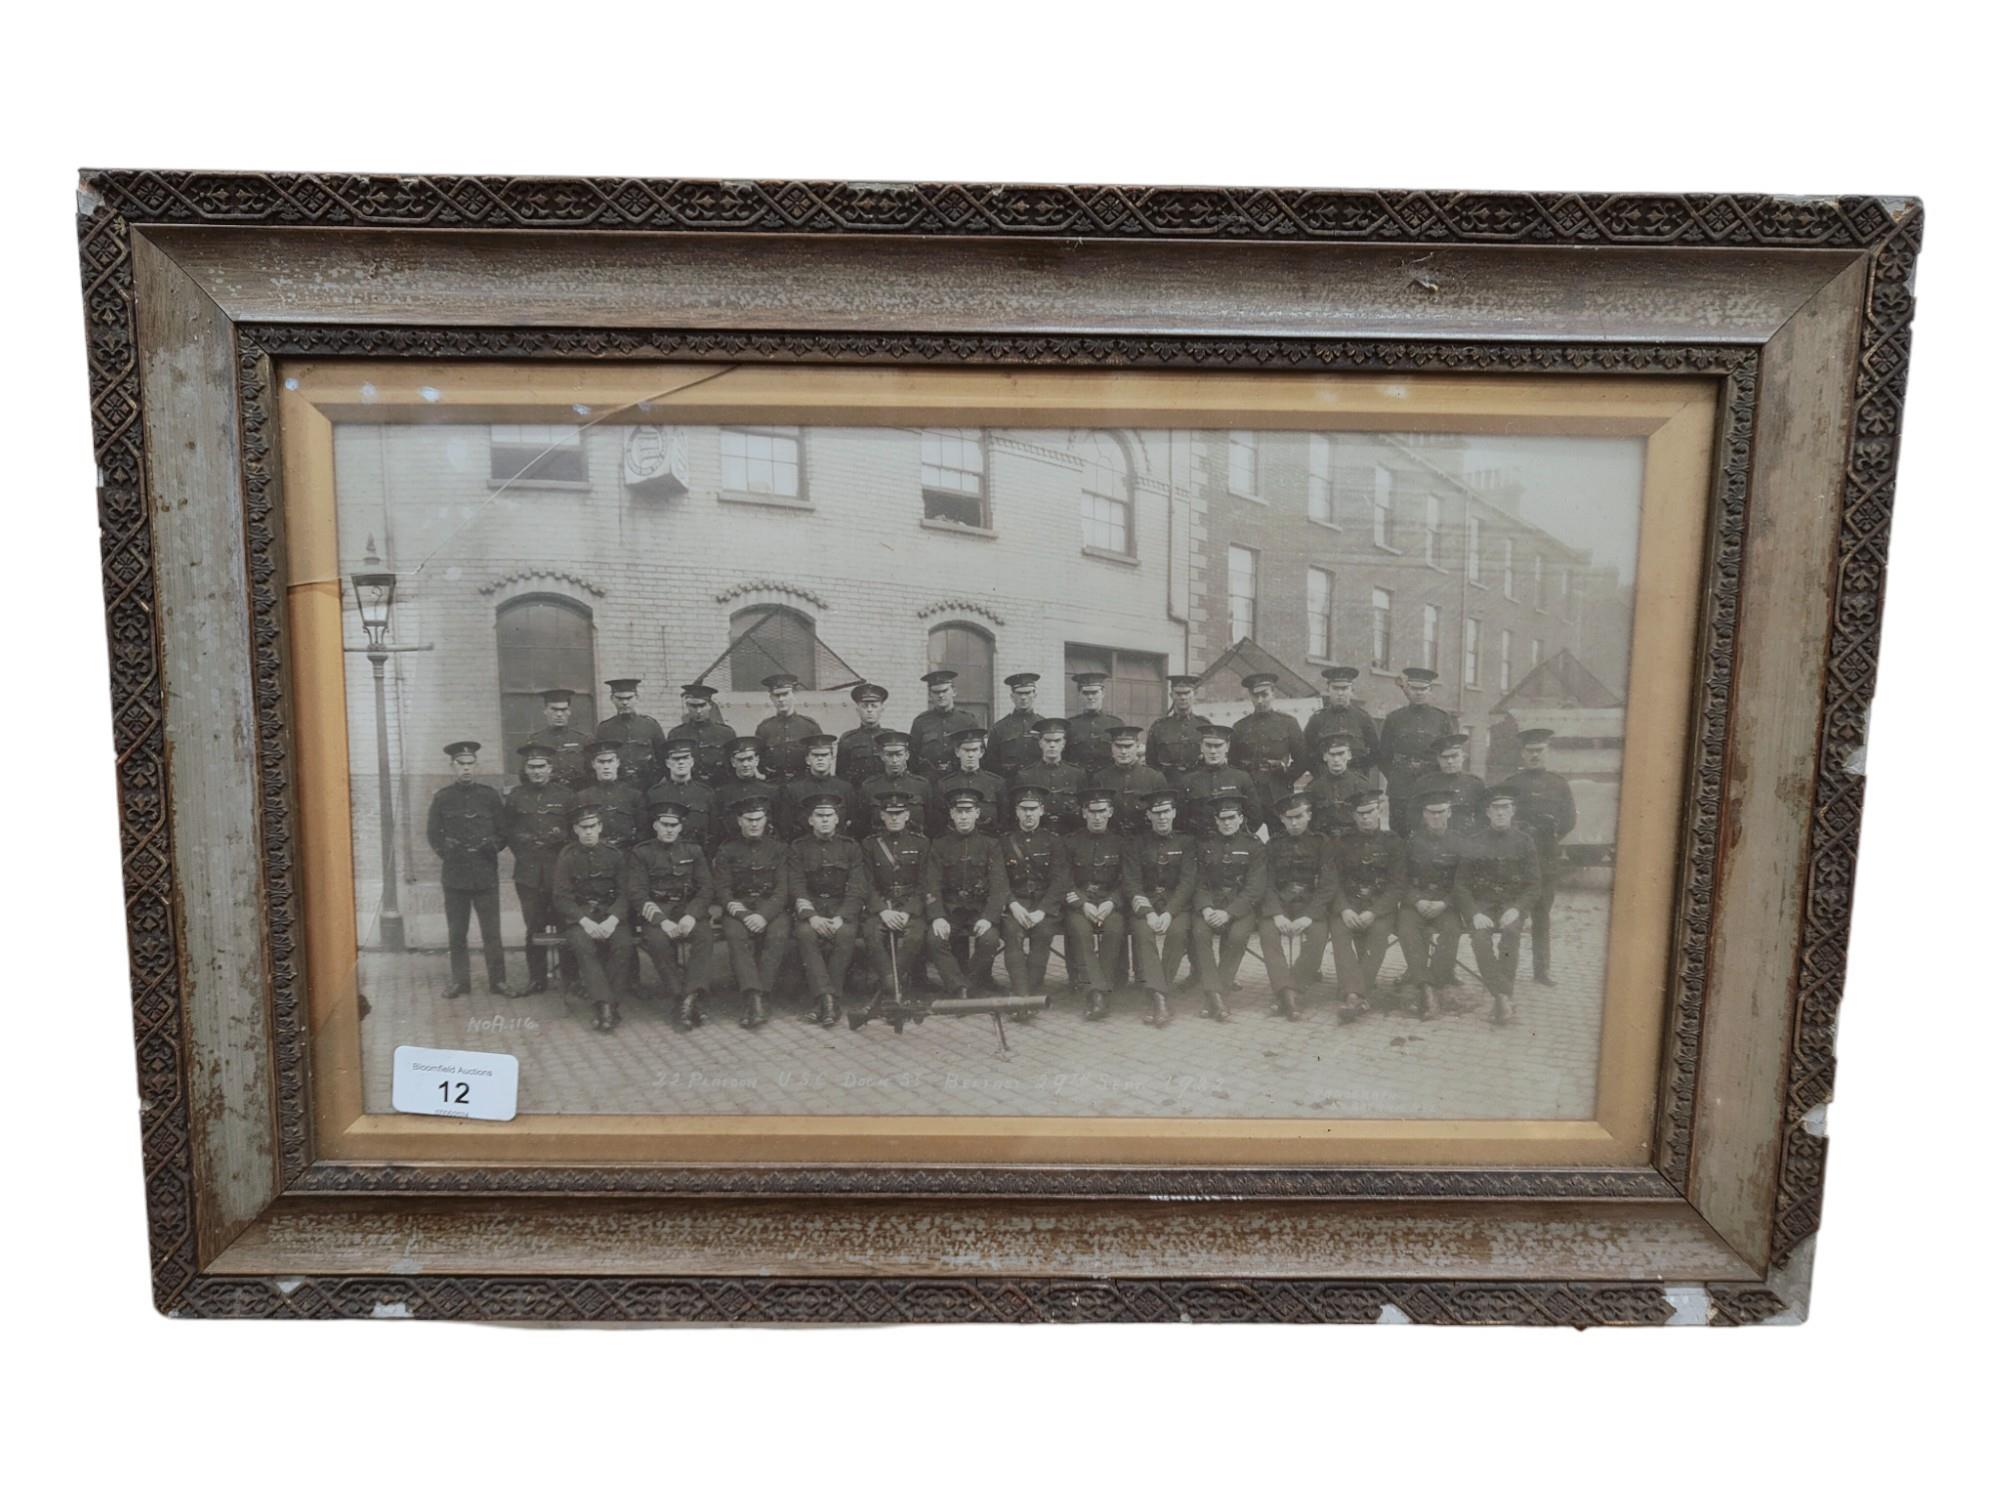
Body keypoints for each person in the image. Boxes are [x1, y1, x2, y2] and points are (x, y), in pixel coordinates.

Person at [426, 740, 512, 1000]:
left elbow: (503, 831)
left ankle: (498, 982)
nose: (466, 769)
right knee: (457, 932)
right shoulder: (442, 798)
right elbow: (432, 834)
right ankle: (460, 982)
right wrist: (447, 851)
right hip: (455, 876)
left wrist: (492, 847)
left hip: (485, 873)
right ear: (452, 766)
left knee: (492, 933)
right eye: (460, 764)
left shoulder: (489, 796)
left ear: (477, 765)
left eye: (470, 763)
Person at [625, 801, 715, 1030]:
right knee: (656, 941)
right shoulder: (641, 852)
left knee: (704, 937)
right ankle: (682, 997)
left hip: (687, 909)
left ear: (680, 827)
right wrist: (661, 921)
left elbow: (706, 888)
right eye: (664, 824)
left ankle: (688, 997)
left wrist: (691, 915)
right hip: (658, 910)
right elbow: (637, 892)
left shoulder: (693, 850)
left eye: (674, 825)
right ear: (655, 825)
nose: (669, 829)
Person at [1455, 786, 1540, 1025]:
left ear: (1513, 811)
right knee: (1480, 938)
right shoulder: (1474, 842)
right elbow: (1460, 885)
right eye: (1496, 808)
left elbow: (1534, 885)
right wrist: (1473, 913)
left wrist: (1517, 909)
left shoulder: (1525, 842)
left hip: (1511, 904)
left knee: (1511, 934)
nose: (1500, 813)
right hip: (1482, 905)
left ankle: (1501, 996)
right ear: (1487, 812)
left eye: (1505, 808)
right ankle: (1503, 995)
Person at [1501, 728, 1577, 986]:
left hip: (1546, 859)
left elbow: (1569, 820)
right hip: (1516, 862)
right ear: (1522, 753)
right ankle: (1506, 971)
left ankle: (1541, 971)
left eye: (1540, 751)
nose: (1535, 756)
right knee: (1513, 915)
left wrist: (1549, 833)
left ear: (1548, 752)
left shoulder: (1559, 783)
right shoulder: (1510, 784)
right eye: (1530, 751)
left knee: (1542, 915)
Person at [550, 807, 635, 1032]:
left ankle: (609, 1003)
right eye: (583, 828)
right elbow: (561, 897)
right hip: (581, 918)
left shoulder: (615, 855)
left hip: (610, 916)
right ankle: (605, 1005)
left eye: (592, 827)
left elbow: (625, 893)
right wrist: (584, 921)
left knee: (623, 945)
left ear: (600, 828)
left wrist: (612, 920)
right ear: (576, 830)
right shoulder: (567, 857)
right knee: (583, 947)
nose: (588, 832)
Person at [1257, 790, 1339, 1020]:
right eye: (1288, 818)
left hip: (1309, 906)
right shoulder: (1272, 845)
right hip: (1280, 906)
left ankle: (1291, 991)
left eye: (1299, 816)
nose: (1294, 822)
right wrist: (1276, 915)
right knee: (1268, 935)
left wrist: (1309, 916)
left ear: (1309, 816)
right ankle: (1288, 995)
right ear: (1281, 819)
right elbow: (1266, 883)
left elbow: (1328, 885)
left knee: (1317, 936)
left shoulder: (1322, 843)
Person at [712, 790, 790, 1029]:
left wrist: (764, 915)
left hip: (770, 908)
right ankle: (754, 997)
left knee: (778, 935)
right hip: (740, 909)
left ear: (766, 820)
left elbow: (782, 889)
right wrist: (745, 915)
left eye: (758, 818)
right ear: (739, 821)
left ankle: (760, 995)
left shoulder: (778, 849)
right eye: (749, 819)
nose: (754, 824)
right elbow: (723, 890)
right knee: (736, 936)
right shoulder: (727, 850)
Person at [1329, 789, 1406, 1022]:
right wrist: (1344, 908)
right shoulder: (1342, 843)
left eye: (1369, 812)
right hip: (1349, 905)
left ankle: (1353, 994)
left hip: (1378, 907)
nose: (1365, 818)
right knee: (1339, 933)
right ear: (1353, 816)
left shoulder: (1394, 842)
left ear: (1379, 810)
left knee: (1379, 934)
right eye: (1359, 814)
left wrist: (1375, 911)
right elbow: (1333, 881)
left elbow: (1397, 885)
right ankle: (1359, 994)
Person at [788, 790, 864, 1026]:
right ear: (810, 820)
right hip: (813, 908)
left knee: (846, 935)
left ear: (837, 819)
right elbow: (797, 885)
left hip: (840, 907)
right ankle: (829, 1000)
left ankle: (823, 1001)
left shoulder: (851, 847)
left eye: (828, 815)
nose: (824, 820)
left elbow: (856, 888)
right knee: (805, 935)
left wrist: (842, 917)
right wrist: (811, 917)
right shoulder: (798, 847)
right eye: (819, 816)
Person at [503, 743, 574, 994]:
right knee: (534, 926)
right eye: (531, 767)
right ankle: (537, 978)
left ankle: (570, 977)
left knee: (566, 925)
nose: (537, 771)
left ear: (550, 768)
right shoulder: (515, 796)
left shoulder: (565, 796)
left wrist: (560, 838)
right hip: (529, 874)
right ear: (525, 769)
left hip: (559, 872)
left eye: (541, 766)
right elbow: (508, 832)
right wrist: (524, 850)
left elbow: (575, 832)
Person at [924, 788, 1008, 998]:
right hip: (950, 911)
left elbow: (999, 886)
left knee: (989, 940)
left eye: (968, 811)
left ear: (977, 813)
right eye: (958, 812)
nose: (963, 817)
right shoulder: (939, 845)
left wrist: (989, 918)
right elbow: (931, 884)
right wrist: (937, 916)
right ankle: (958, 985)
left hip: (979, 910)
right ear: (951, 814)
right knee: (934, 940)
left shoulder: (991, 845)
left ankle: (966, 984)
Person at [1190, 794, 1266, 1021]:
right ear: (1215, 820)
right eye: (1221, 818)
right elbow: (1199, 882)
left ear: (1241, 818)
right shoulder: (1205, 845)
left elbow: (1255, 887)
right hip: (1210, 907)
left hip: (1239, 907)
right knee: (1200, 933)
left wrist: (1229, 912)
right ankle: (1217, 996)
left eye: (1231, 817)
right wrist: (1205, 909)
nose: (1226, 823)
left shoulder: (1254, 846)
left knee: (1238, 936)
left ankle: (1214, 995)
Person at [1124, 790, 1196, 1026]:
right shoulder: (1137, 843)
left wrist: (1168, 913)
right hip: (1146, 905)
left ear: (1174, 813)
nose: (1162, 817)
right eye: (1156, 813)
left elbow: (1187, 882)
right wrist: (1148, 913)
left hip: (1176, 906)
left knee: (1177, 933)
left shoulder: (1186, 842)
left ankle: (1157, 995)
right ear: (1148, 815)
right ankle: (1161, 998)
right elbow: (1132, 882)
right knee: (1143, 934)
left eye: (1166, 812)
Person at [857, 790, 931, 1015]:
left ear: (908, 815)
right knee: (871, 934)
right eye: (890, 814)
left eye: (900, 814)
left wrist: (909, 911)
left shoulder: (921, 842)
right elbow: (866, 884)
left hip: (910, 904)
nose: (895, 818)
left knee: (915, 935)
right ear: (882, 816)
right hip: (883, 905)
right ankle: (893, 984)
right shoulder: (870, 845)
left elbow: (925, 884)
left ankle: (888, 987)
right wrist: (881, 911)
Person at [1396, 785, 1465, 1020]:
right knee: (1406, 929)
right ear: (1424, 815)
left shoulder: (1460, 843)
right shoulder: (1411, 842)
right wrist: (1416, 900)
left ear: (1449, 813)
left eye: (1441, 812)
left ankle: (1431, 983)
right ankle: (1426, 989)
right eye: (1431, 812)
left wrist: (1445, 903)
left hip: (1445, 905)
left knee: (1452, 931)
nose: (1436, 817)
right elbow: (1400, 879)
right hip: (1415, 903)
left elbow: (1464, 883)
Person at [997, 784, 1070, 999]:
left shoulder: (1054, 841)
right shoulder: (1004, 842)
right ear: (1016, 811)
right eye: (1023, 809)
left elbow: (1060, 881)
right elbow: (999, 880)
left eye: (1033, 808)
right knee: (1011, 932)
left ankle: (1028, 991)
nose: (1028, 814)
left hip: (1043, 905)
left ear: (1042, 810)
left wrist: (1042, 911)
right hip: (1016, 903)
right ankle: (1023, 993)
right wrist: (1013, 905)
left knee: (1043, 933)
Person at [1063, 792, 1128, 1021]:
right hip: (1080, 905)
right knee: (1081, 933)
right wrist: (1082, 904)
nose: (1097, 817)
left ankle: (1101, 988)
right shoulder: (1070, 842)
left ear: (1110, 813)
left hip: (1110, 903)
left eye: (1102, 811)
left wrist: (1112, 902)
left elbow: (1126, 880)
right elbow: (1064, 880)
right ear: (1083, 813)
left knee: (1114, 930)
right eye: (1092, 812)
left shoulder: (1121, 843)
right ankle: (1097, 993)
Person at [1379, 667, 1458, 833]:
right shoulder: (1394, 718)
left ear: (1430, 691)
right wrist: (1399, 774)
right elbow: (1384, 756)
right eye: (1415, 688)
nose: (1419, 693)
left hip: (1431, 784)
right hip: (1401, 787)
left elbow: (1448, 752)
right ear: (1407, 690)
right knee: (1400, 831)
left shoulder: (1441, 718)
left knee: (1429, 830)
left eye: (1423, 689)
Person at [1231, 671, 1308, 818]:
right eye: (1255, 695)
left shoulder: (1288, 723)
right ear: (1250, 696)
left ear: (1273, 694)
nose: (1260, 700)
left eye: (1264, 695)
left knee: (1280, 838)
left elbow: (1302, 760)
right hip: (1249, 795)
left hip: (1279, 794)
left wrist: (1285, 775)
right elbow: (1232, 764)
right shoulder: (1240, 727)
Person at [1177, 723, 1263, 837]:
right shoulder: (1188, 781)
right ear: (1201, 746)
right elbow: (1180, 820)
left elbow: (1255, 817)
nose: (1213, 751)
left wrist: (1239, 838)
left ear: (1227, 746)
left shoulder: (1241, 778)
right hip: (1200, 843)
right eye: (1208, 745)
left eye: (1218, 746)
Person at [1089, 724, 1169, 836]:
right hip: (1112, 840)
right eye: (1118, 746)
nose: (1123, 752)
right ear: (1111, 747)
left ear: (1137, 746)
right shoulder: (1100, 778)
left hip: (1144, 839)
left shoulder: (1154, 777)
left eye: (1128, 746)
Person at [1303, 666, 1381, 780]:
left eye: (1344, 688)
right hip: (1325, 782)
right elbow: (1305, 752)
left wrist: (1360, 771)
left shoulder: (1363, 718)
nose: (1340, 693)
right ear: (1328, 689)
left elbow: (1376, 751)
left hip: (1356, 782)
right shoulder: (1317, 719)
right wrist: (1320, 773)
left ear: (1351, 690)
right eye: (1335, 688)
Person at [647, 736, 720, 854]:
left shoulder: (706, 793)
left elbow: (714, 831)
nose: (681, 762)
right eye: (675, 759)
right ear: (667, 763)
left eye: (685, 758)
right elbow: (649, 832)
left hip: (700, 855)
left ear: (692, 761)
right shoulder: (655, 794)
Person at [776, 732, 856, 840]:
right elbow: (786, 827)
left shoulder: (845, 788)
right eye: (815, 755)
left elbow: (853, 823)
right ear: (807, 759)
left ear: (832, 758)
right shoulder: (793, 789)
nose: (820, 759)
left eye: (824, 755)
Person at [1013, 718, 1087, 833]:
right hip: (1039, 836)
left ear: (1063, 743)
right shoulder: (1025, 775)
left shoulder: (1077, 774)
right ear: (1040, 743)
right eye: (1047, 741)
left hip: (1070, 833)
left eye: (1057, 741)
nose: (1052, 745)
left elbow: (1084, 811)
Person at [568, 740, 646, 848]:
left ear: (618, 762)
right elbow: (575, 833)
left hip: (626, 853)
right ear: (593, 764)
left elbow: (643, 832)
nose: (606, 766)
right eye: (601, 762)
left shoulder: (634, 796)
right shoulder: (582, 797)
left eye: (610, 761)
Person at [932, 725, 1008, 837]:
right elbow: (940, 824)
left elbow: (1003, 821)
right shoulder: (944, 784)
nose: (971, 755)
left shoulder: (996, 783)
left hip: (989, 843)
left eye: (974, 750)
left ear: (981, 752)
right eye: (966, 750)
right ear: (957, 752)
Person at [594, 677, 668, 788]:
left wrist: (654, 783)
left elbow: (664, 758)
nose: (624, 702)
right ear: (612, 699)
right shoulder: (604, 728)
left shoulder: (650, 725)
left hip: (647, 786)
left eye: (629, 698)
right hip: (618, 788)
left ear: (637, 698)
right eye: (619, 698)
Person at [1407, 732, 1484, 837]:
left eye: (1454, 756)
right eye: (1444, 757)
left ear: (1463, 757)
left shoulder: (1475, 783)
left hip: (1466, 840)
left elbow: (1483, 818)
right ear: (1438, 759)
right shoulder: (1424, 783)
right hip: (1434, 840)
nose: (1450, 761)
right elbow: (1414, 818)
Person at [1300, 731, 1375, 838]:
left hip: (1353, 843)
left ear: (1349, 755)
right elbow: (1307, 826)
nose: (1336, 760)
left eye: (1341, 754)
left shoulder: (1362, 786)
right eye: (1332, 754)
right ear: (1325, 756)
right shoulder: (1313, 788)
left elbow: (1371, 824)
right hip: (1324, 842)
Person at [909, 668, 980, 778]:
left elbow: (978, 756)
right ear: (930, 695)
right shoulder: (921, 722)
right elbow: (912, 759)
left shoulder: (967, 721)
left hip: (959, 781)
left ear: (954, 692)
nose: (941, 695)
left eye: (944, 691)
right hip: (930, 782)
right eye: (936, 692)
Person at [859, 728, 932, 833]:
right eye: (889, 755)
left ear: (907, 755)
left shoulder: (921, 785)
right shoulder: (869, 786)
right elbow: (863, 825)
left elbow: (930, 823)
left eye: (899, 755)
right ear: (882, 756)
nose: (894, 760)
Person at [754, 672, 822, 783]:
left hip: (803, 786)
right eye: (776, 695)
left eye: (785, 694)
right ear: (771, 697)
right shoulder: (764, 729)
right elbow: (758, 762)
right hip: (774, 786)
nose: (781, 699)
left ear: (794, 695)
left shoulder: (810, 726)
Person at [1145, 674, 1211, 782]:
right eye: (1178, 693)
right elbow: (1151, 763)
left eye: (1187, 693)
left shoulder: (1205, 726)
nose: (1183, 697)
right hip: (1168, 786)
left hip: (1197, 786)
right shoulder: (1159, 727)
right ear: (1171, 695)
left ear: (1194, 694)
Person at [528, 687, 593, 788]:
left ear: (569, 711)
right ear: (545, 711)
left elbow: (591, 772)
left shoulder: (582, 740)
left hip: (576, 794)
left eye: (563, 710)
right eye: (554, 709)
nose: (559, 714)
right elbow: (525, 775)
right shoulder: (535, 740)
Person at [676, 682, 737, 786]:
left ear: (710, 706)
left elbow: (734, 766)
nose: (698, 711)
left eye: (702, 705)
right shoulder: (677, 734)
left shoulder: (726, 733)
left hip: (719, 789)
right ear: (687, 706)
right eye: (693, 706)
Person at [987, 672, 1045, 778]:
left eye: (1027, 693)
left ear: (1035, 695)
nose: (1023, 697)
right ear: (1012, 696)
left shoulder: (1044, 725)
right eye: (1019, 693)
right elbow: (991, 765)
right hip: (1010, 786)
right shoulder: (999, 728)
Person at [1064, 670, 1124, 773]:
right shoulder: (1070, 725)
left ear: (1103, 693)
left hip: (1106, 782)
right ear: (1080, 695)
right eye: (1086, 693)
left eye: (1094, 692)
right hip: (1079, 784)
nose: (1090, 697)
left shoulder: (1116, 724)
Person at [836, 683, 891, 787]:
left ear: (882, 709)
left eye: (874, 706)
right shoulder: (847, 739)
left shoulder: (890, 737)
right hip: (858, 795)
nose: (869, 710)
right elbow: (842, 776)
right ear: (858, 710)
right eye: (865, 706)